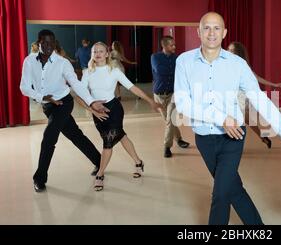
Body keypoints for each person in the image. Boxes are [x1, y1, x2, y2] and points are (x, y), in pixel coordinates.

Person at [174, 12, 281, 225]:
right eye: (206, 27)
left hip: (233, 137)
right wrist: (220, 118)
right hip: (204, 138)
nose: (211, 33)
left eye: (217, 28)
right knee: (233, 188)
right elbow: (182, 103)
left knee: (221, 194)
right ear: (198, 32)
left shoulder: (238, 64)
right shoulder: (184, 61)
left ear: (224, 33)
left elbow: (261, 101)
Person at [20, 30, 108, 192]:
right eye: (45, 42)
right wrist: (42, 97)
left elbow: (76, 84)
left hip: (63, 103)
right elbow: (24, 87)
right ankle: (99, 160)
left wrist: (91, 102)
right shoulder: (29, 61)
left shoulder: (62, 62)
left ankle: (39, 178)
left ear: (55, 43)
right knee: (75, 135)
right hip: (47, 105)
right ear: (38, 42)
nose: (48, 46)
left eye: (51, 42)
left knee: (49, 137)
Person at [81, 42, 162, 191]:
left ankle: (100, 174)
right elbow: (81, 94)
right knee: (121, 136)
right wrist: (92, 109)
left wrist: (150, 100)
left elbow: (133, 88)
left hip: (114, 110)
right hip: (98, 112)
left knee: (108, 142)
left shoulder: (115, 71)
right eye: (94, 52)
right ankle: (138, 162)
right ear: (91, 55)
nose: (97, 54)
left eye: (101, 51)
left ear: (107, 54)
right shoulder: (87, 72)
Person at [227, 41, 281, 148]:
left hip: (240, 98)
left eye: (232, 50)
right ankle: (263, 137)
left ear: (238, 53)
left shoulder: (242, 66)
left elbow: (257, 78)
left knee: (238, 119)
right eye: (228, 49)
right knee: (248, 120)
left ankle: (233, 144)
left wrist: (273, 84)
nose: (228, 52)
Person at [151, 35, 190, 158]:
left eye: (174, 44)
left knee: (170, 120)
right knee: (169, 121)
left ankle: (167, 147)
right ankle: (179, 139)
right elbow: (159, 70)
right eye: (171, 45)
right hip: (159, 95)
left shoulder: (177, 58)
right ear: (164, 46)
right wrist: (175, 70)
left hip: (174, 93)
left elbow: (182, 72)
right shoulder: (155, 57)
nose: (174, 47)